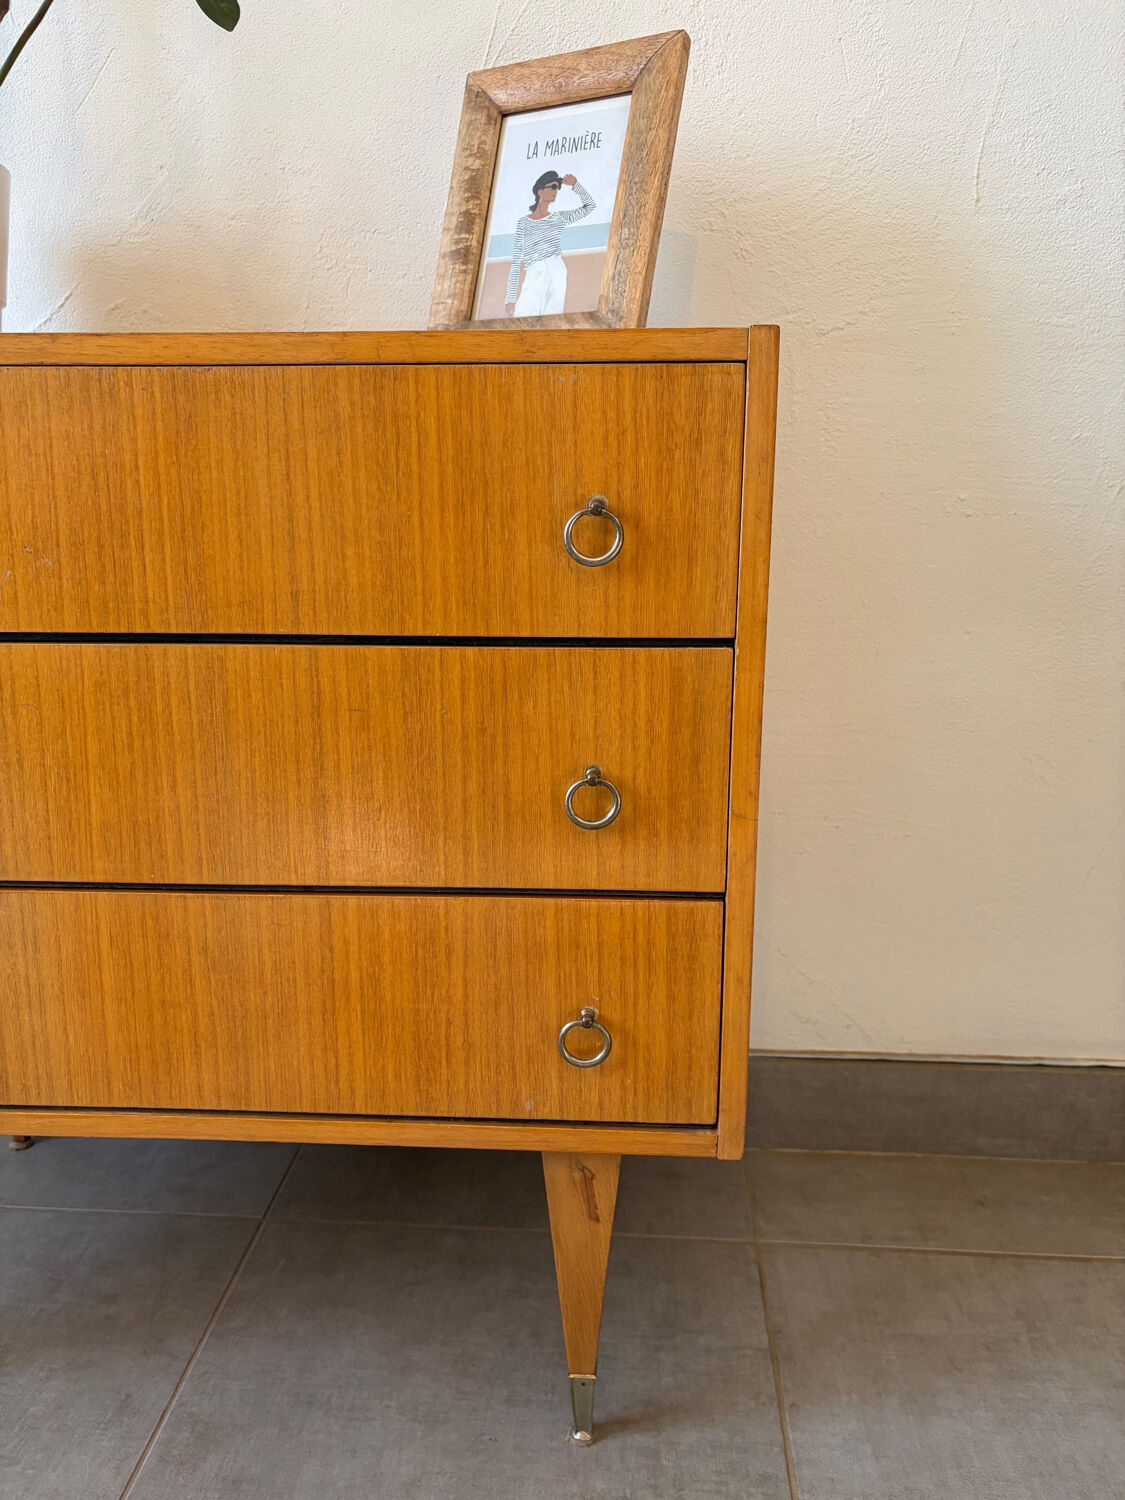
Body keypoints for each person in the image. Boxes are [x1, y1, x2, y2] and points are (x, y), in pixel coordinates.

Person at [504, 171, 596, 317]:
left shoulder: (559, 218)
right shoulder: (523, 223)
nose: (556, 191)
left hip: (556, 269)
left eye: (558, 187)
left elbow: (590, 206)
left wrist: (575, 185)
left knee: (551, 319)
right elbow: (516, 260)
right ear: (540, 191)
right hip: (535, 271)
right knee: (523, 317)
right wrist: (510, 298)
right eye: (553, 187)